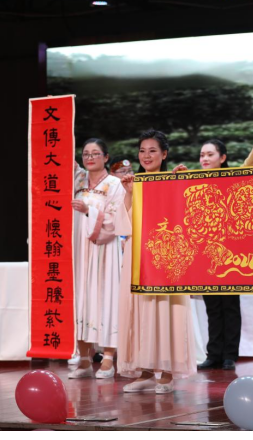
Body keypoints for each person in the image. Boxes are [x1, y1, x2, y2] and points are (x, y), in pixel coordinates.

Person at [172, 125, 253, 371]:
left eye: (210, 154)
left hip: (232, 254)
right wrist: (176, 177)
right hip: (207, 254)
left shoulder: (232, 177)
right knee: (212, 307)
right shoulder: (196, 180)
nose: (204, 159)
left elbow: (250, 164)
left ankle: (229, 354)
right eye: (202, 155)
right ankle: (213, 353)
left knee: (230, 305)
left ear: (222, 158)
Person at [117, 130, 196, 394]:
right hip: (138, 255)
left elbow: (185, 216)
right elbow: (123, 226)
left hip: (166, 255)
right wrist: (129, 193)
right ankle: (146, 371)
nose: (146, 155)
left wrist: (181, 184)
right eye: (142, 150)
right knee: (140, 309)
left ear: (164, 154)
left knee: (166, 308)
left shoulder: (173, 180)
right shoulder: (134, 182)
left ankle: (168, 372)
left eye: (152, 150)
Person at [68, 138, 129, 379]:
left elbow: (114, 219)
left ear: (106, 157)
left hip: (104, 248)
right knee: (80, 299)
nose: (90, 158)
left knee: (105, 299)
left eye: (95, 153)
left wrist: (88, 211)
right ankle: (84, 359)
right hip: (78, 249)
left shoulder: (115, 184)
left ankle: (108, 359)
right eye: (86, 154)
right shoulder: (77, 179)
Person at [109, 156, 134, 251]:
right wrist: (120, 238)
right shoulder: (107, 191)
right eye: (123, 171)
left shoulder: (137, 189)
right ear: (112, 174)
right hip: (112, 240)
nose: (128, 174)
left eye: (130, 171)